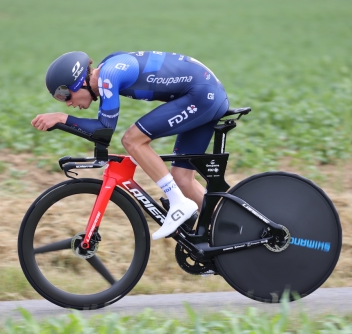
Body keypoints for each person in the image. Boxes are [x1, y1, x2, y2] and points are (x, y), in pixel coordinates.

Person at [31, 51, 229, 240]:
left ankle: (178, 203)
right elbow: (102, 130)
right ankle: (230, 229)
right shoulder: (109, 69)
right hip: (203, 94)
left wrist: (61, 118)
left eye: (65, 95)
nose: (67, 103)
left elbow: (104, 130)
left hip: (201, 95)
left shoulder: (108, 76)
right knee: (182, 179)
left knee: (132, 140)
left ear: (81, 81)